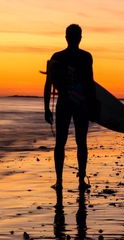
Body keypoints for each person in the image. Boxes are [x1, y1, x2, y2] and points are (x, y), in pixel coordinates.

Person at [44, 24, 96, 190]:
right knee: (81, 142)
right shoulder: (86, 57)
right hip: (81, 104)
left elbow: (48, 84)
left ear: (66, 37)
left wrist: (46, 108)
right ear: (80, 37)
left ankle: (59, 182)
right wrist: (94, 106)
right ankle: (80, 182)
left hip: (65, 103)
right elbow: (90, 85)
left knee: (61, 142)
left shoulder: (57, 56)